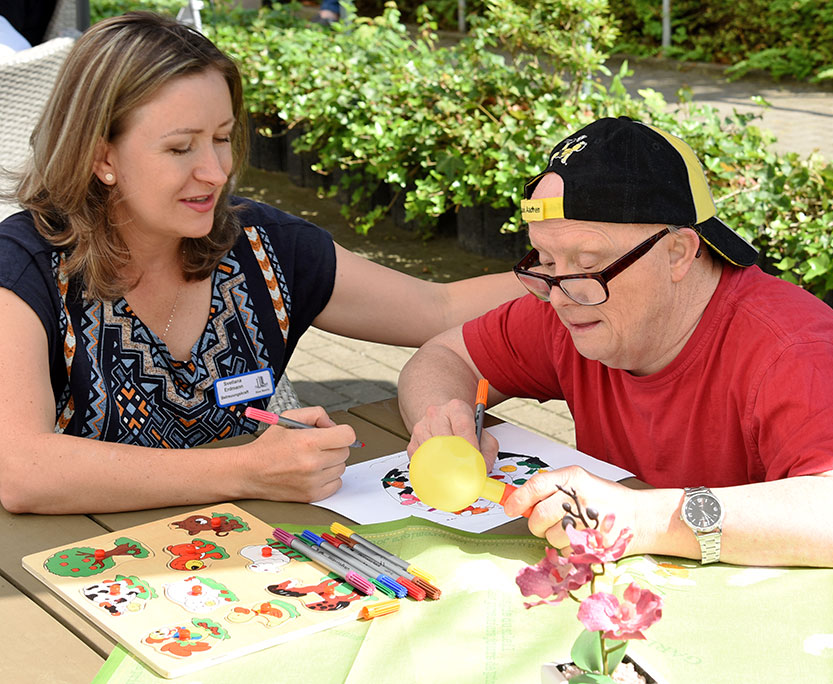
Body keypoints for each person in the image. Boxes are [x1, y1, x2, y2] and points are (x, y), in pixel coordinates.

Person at [0, 12, 523, 515]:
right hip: (57, 578)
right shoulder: (24, 266)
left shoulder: (260, 243)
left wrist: (568, 270)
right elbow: (23, 470)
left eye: (223, 138)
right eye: (181, 148)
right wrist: (246, 470)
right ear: (102, 157)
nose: (216, 171)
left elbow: (437, 307)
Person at [398, 116, 833, 568]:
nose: (557, 295)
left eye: (587, 262)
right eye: (546, 260)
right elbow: (442, 355)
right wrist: (443, 424)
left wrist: (643, 516)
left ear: (677, 253)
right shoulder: (572, 302)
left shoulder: (795, 352)